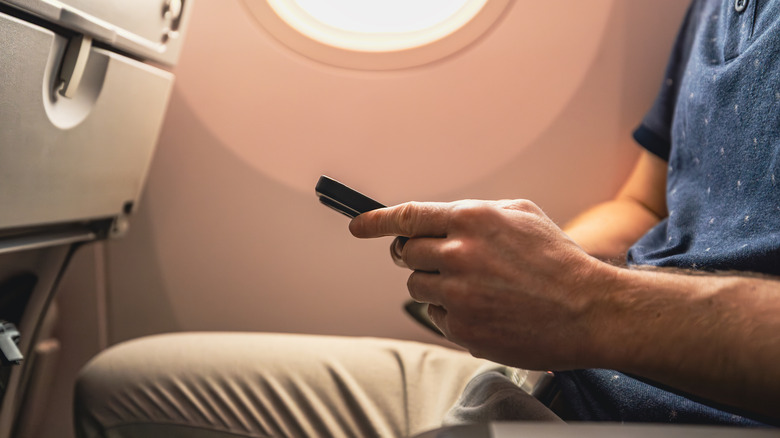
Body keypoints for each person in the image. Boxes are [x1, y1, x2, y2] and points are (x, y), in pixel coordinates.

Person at [74, 0, 780, 436]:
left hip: (699, 414)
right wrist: (531, 275)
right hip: (582, 375)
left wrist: (585, 304)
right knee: (118, 388)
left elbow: (598, 301)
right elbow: (646, 205)